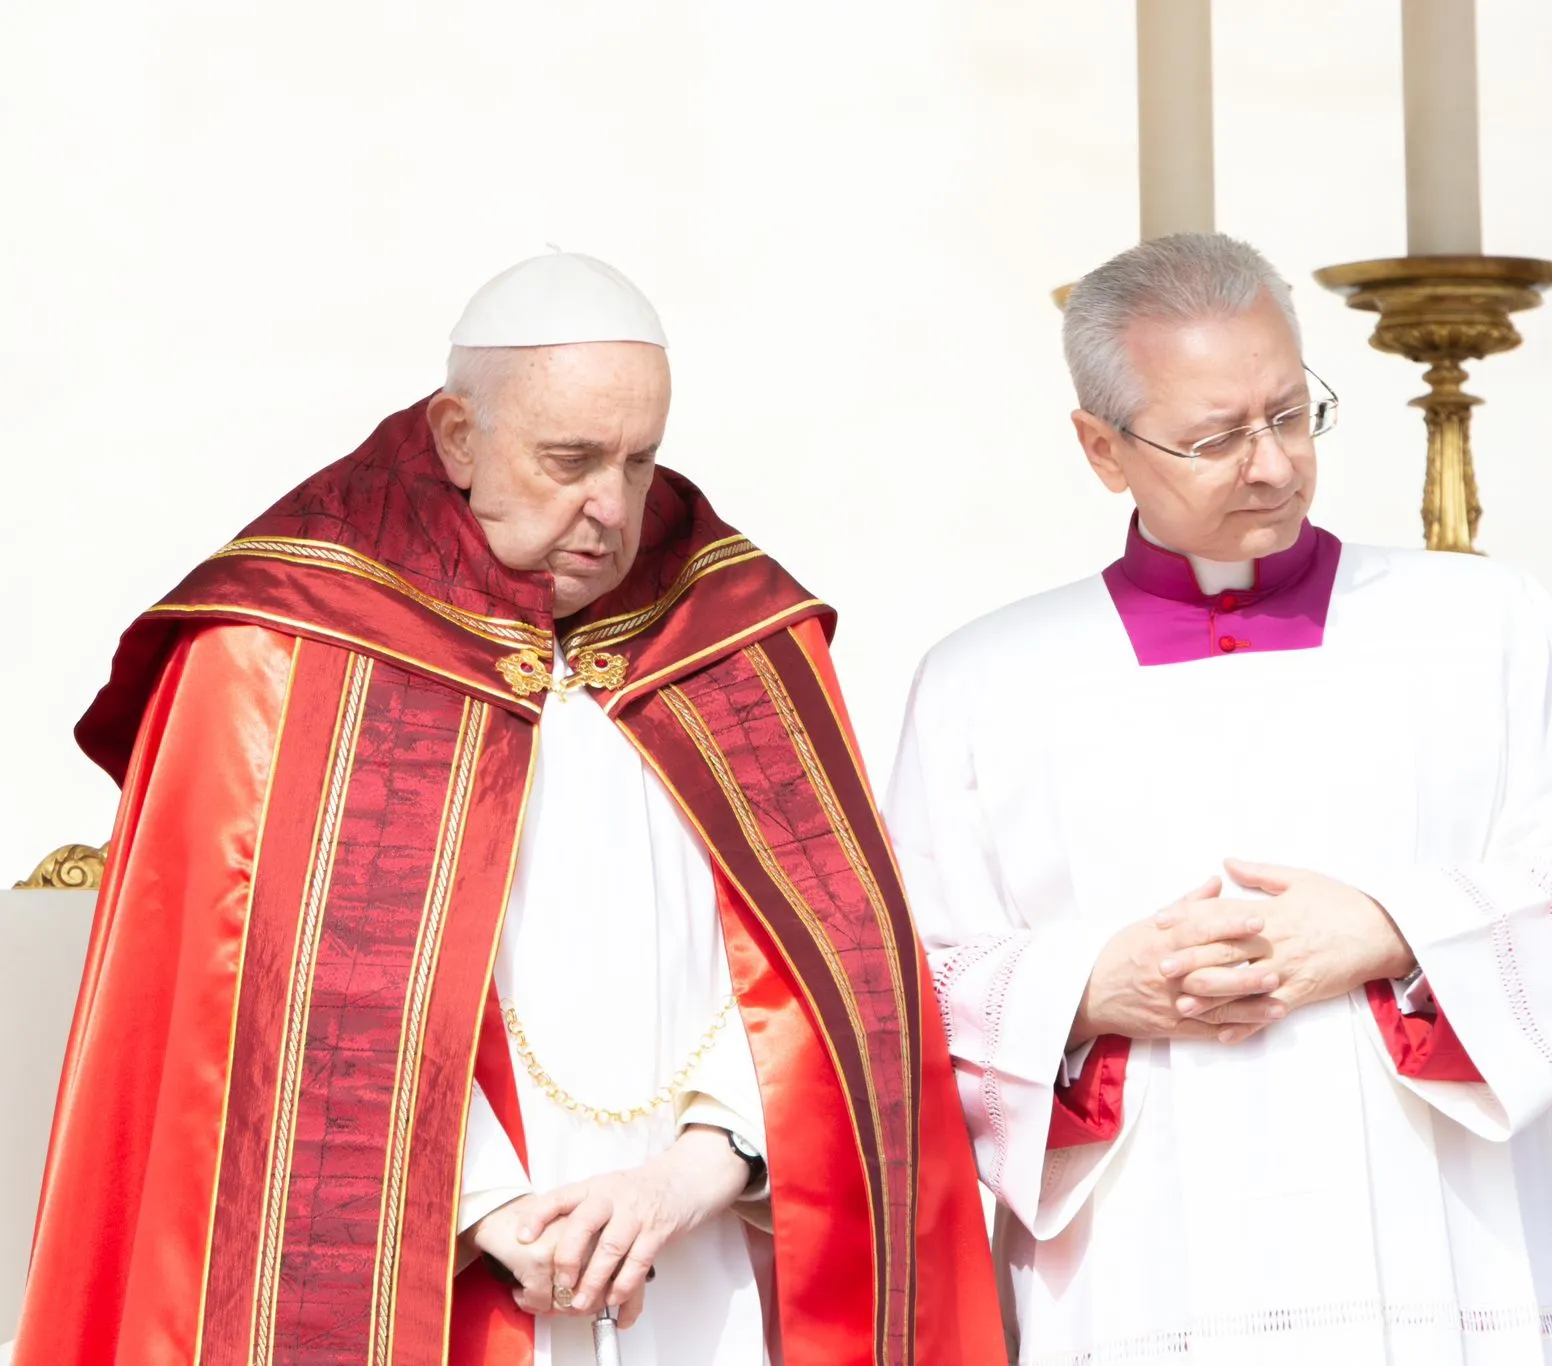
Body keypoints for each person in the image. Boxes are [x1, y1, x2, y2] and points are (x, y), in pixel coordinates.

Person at [17, 251, 1003, 1366]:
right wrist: (487, 1205)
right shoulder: (280, 646)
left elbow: (840, 957)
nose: (611, 508)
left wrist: (694, 1169)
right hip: (432, 1275)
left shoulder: (735, 637)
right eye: (569, 460)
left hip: (705, 1265)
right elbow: (236, 996)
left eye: (639, 463)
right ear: (455, 436)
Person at [885, 233, 1552, 1366]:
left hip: (1442, 1251)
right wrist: (1087, 985)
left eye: (1289, 415)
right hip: (1143, 1267)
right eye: (1212, 437)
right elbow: (906, 982)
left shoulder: (1481, 626)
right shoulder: (984, 680)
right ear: (1100, 448)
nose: (1267, 466)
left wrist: (1388, 929)